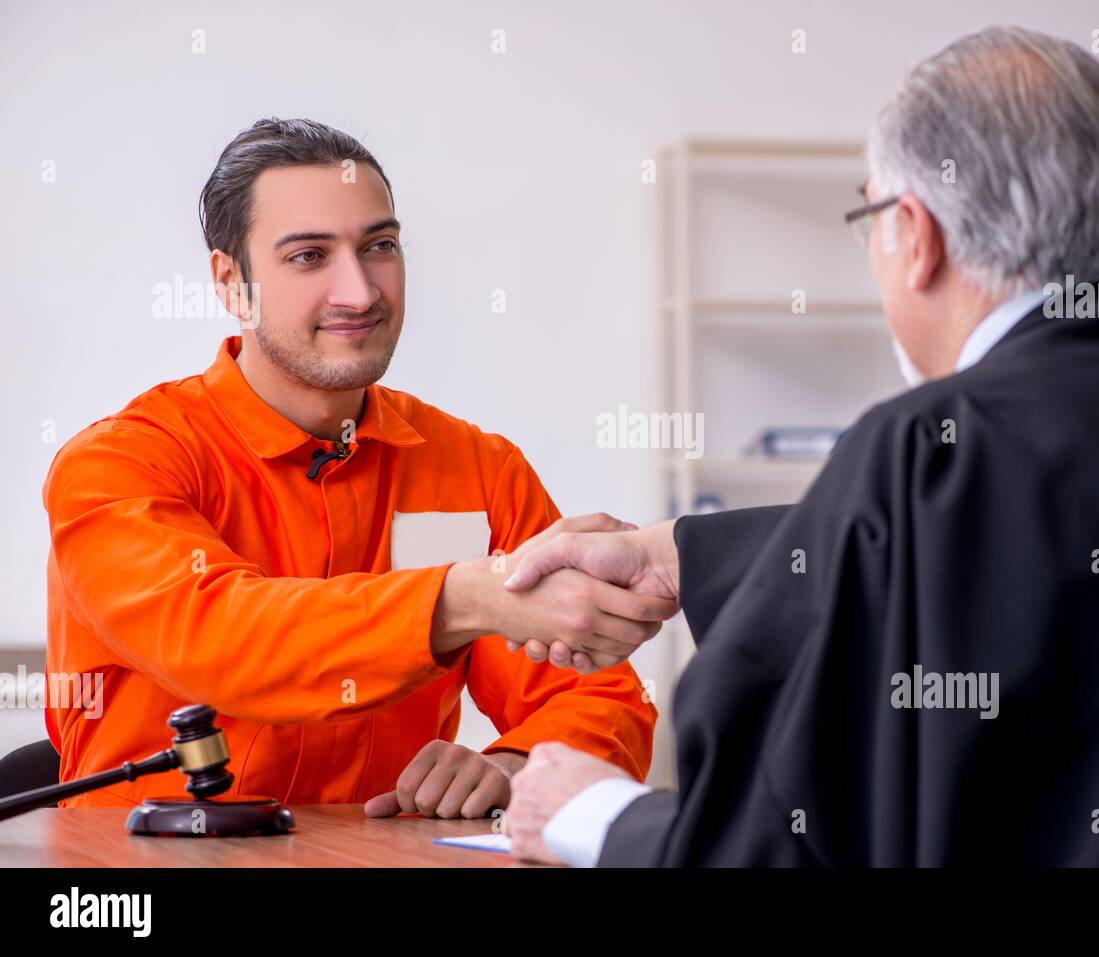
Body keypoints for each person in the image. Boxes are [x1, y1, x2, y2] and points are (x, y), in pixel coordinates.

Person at [501, 26, 1099, 865]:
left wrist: (596, 815)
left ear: (915, 236)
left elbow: (788, 842)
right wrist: (678, 555)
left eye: (870, 218)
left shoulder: (927, 450)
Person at [42, 118, 676, 815]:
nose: (360, 291)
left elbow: (598, 692)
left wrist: (520, 761)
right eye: (310, 256)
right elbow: (220, 638)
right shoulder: (117, 465)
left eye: (379, 246)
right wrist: (462, 598)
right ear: (231, 283)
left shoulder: (478, 469)